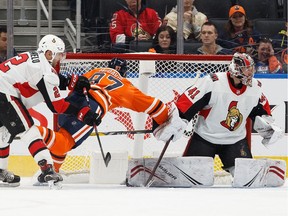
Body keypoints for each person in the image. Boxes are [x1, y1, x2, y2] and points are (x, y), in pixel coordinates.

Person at [153, 52, 283, 176]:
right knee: (194, 177)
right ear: (236, 69)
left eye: (251, 69)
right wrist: (176, 121)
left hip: (235, 140)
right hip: (205, 138)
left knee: (245, 176)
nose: (250, 73)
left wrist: (268, 126)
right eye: (246, 69)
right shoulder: (212, 82)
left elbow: (262, 112)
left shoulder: (255, 87)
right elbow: (187, 103)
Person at [36, 58, 171, 173]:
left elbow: (76, 83)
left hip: (71, 101)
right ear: (124, 73)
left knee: (63, 136)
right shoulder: (124, 85)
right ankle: (32, 132)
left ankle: (52, 171)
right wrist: (164, 121)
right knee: (64, 143)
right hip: (90, 107)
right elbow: (156, 106)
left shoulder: (94, 71)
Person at [0, 34, 99, 187]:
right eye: (58, 54)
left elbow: (51, 81)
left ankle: (0, 171)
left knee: (3, 134)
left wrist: (74, 82)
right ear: (49, 53)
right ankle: (47, 170)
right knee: (28, 130)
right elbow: (56, 106)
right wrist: (83, 112)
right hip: (4, 92)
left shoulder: (36, 59)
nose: (60, 58)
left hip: (3, 88)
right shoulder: (45, 70)